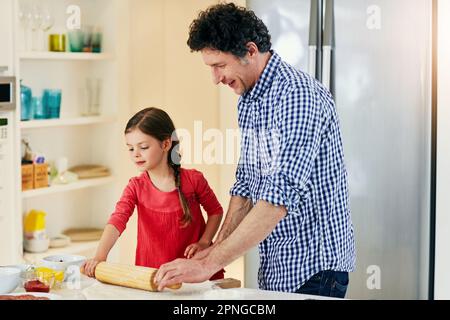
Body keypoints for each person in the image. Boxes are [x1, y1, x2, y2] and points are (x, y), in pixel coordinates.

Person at [155, 3, 355, 298]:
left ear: (250, 50)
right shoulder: (250, 99)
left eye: (219, 65)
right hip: (277, 267)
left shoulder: (296, 96)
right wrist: (213, 248)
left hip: (315, 272)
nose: (215, 78)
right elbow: (246, 185)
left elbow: (278, 197)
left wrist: (209, 264)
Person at [82, 107, 225, 281]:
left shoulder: (194, 180)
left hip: (195, 275)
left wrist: (204, 242)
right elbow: (117, 220)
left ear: (165, 144)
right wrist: (100, 256)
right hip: (153, 278)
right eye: (130, 148)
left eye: (143, 147)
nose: (136, 154)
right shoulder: (135, 187)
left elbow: (215, 211)